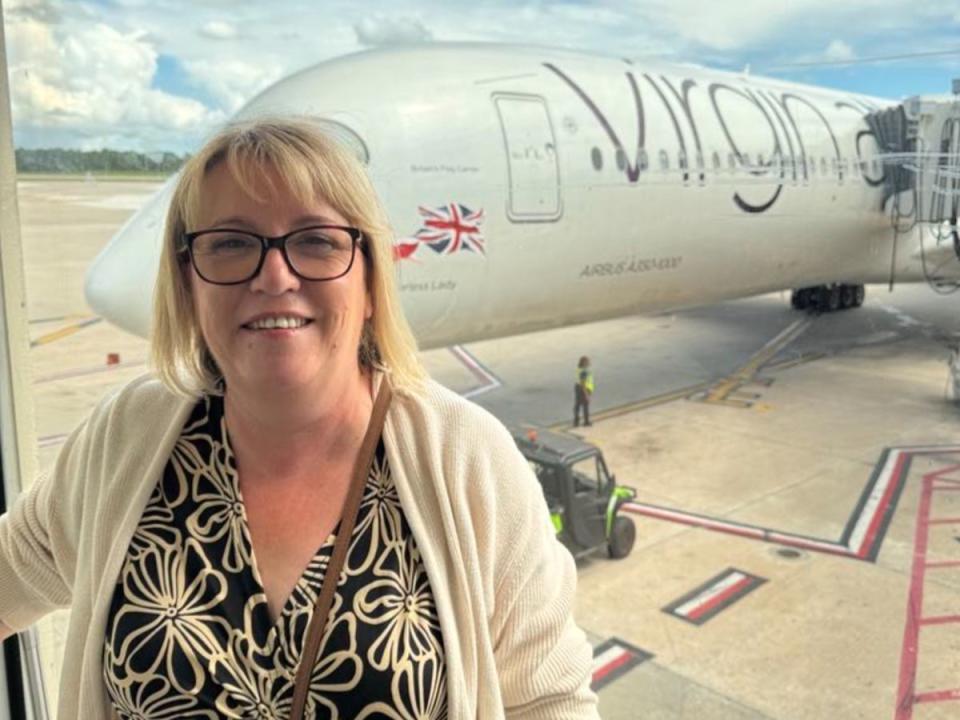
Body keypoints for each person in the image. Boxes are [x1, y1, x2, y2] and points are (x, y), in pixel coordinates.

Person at [0, 118, 598, 719]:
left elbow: (548, 701)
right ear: (188, 282)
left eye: (316, 240)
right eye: (231, 243)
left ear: (368, 283)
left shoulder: (469, 460)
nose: (275, 277)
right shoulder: (126, 437)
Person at [573, 356, 594, 427]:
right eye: (587, 361)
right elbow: (583, 383)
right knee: (585, 405)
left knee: (577, 405)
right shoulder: (584, 371)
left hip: (577, 387)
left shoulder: (579, 369)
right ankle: (586, 421)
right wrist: (586, 394)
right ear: (584, 362)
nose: (589, 362)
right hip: (583, 388)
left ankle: (576, 421)